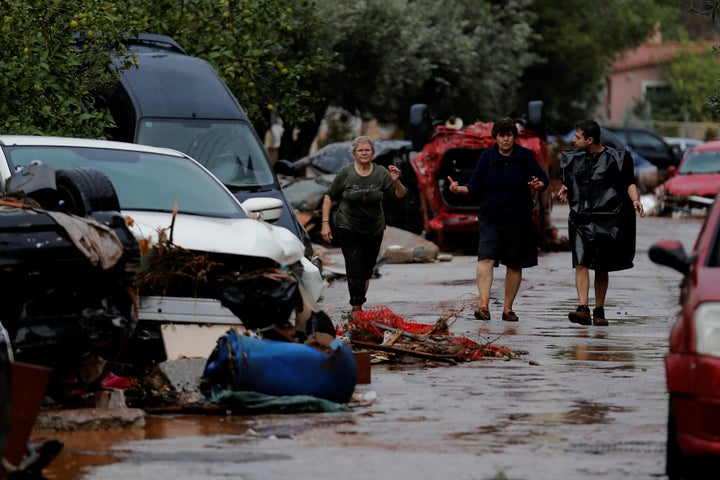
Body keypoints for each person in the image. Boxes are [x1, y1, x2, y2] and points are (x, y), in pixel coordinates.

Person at [448, 117, 548, 322]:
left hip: (518, 219)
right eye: (501, 135)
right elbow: (474, 184)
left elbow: (543, 178)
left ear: (514, 137)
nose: (505, 139)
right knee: (485, 259)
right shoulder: (487, 157)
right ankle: (483, 306)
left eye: (509, 135)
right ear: (495, 137)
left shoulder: (525, 156)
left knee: (514, 264)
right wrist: (460, 189)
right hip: (491, 218)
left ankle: (508, 309)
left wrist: (539, 184)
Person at [558, 119, 645, 326]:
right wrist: (566, 187)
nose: (573, 140)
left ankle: (599, 310)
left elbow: (628, 182)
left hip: (608, 218)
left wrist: (635, 200)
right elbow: (571, 181)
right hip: (580, 218)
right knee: (580, 262)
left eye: (577, 137)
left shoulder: (618, 157)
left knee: (601, 265)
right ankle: (582, 308)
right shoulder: (572, 159)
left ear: (589, 140)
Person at [321, 136, 407, 312]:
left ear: (373, 153)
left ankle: (359, 303)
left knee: (367, 270)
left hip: (374, 228)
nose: (364, 153)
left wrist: (396, 180)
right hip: (348, 225)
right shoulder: (346, 173)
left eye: (367, 150)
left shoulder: (381, 173)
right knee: (354, 265)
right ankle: (357, 306)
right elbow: (329, 196)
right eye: (360, 150)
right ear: (354, 153)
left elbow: (400, 194)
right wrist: (325, 223)